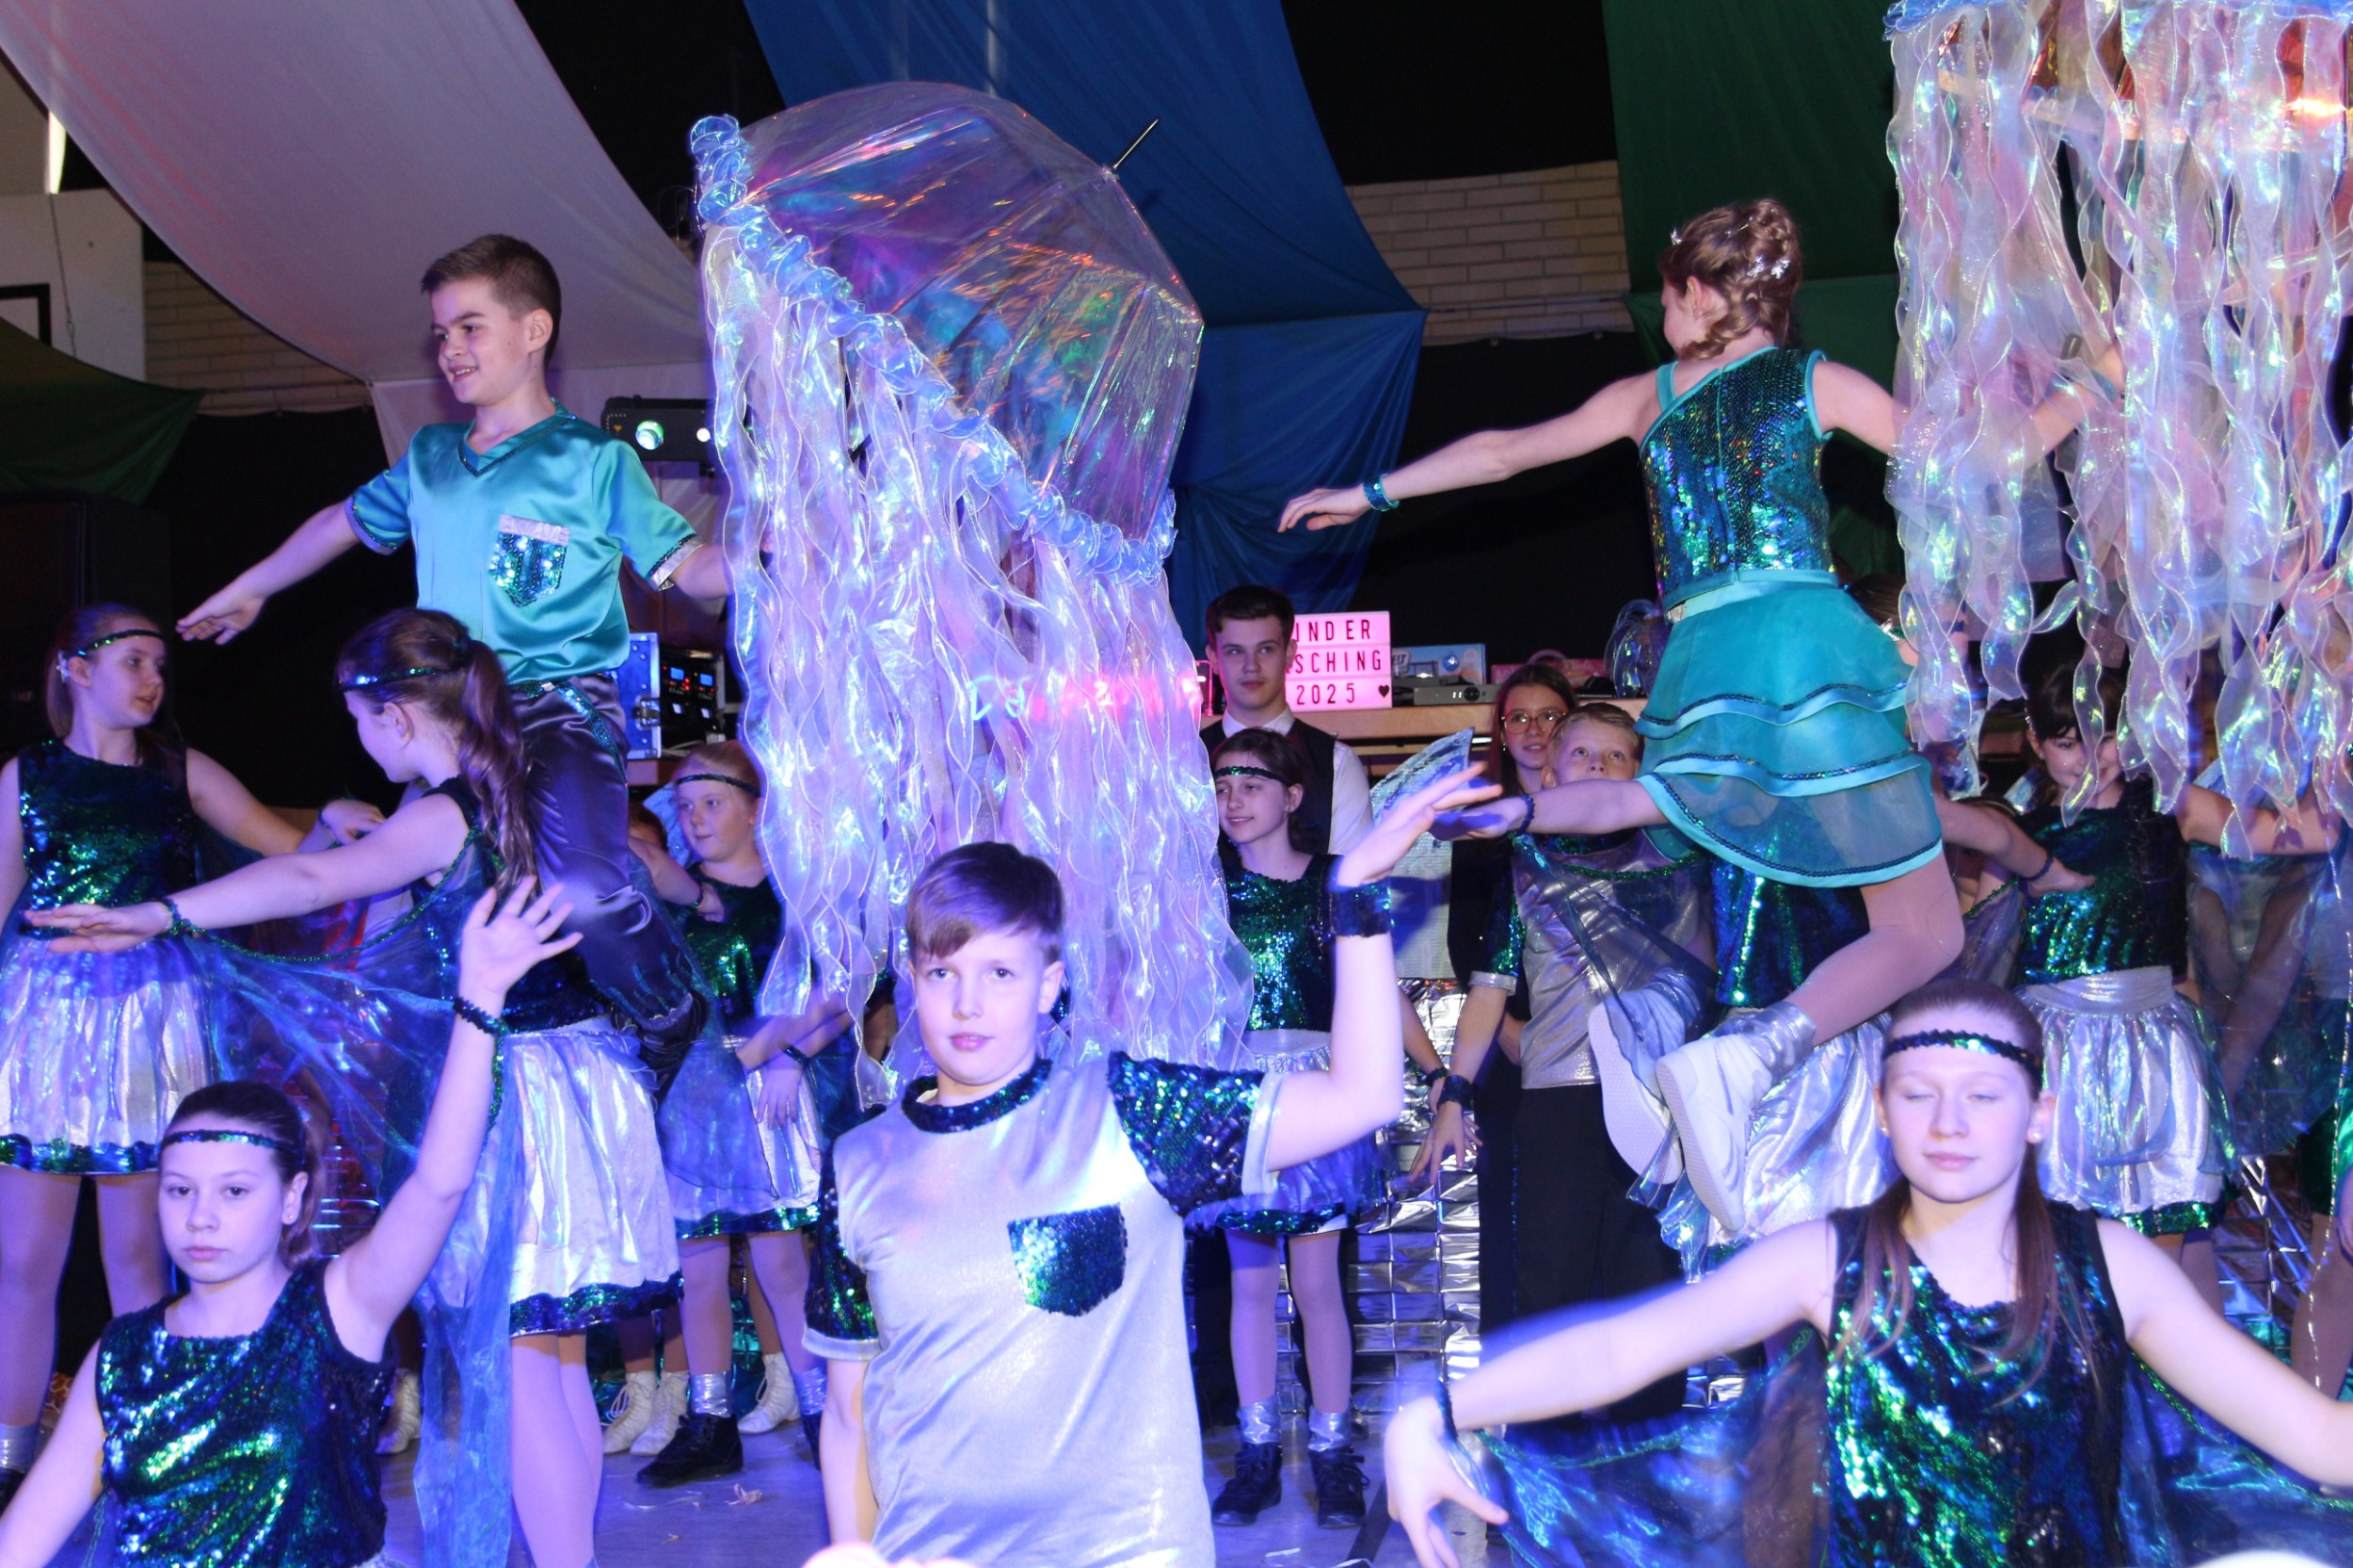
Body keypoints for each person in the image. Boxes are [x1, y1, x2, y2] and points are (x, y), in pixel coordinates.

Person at [1281, 200, 2106, 1236]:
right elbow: (1979, 459)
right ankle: (1749, 1053)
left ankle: (1740, 1056)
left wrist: (1373, 490)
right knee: (1926, 927)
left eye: (1669, 294)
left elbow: (1504, 451)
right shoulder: (1811, 380)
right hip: (1802, 650)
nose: (1661, 314)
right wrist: (2088, 385)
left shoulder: (1651, 398)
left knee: (1698, 826)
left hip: (1708, 663)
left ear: (1707, 294)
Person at [35, 608, 677, 1568]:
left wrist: (159, 913)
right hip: (583, 1075)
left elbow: (307, 882)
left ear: (395, 715)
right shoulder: (532, 789)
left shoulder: (443, 813)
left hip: (513, 1091)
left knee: (515, 1364)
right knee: (552, 1356)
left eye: (359, 721)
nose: (361, 741)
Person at [1384, 977, 2353, 1568]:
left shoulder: (2112, 1266)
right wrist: (1434, 1407)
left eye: (1985, 1095)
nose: (1950, 1123)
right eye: (1919, 1095)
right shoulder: (1827, 1260)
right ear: (1881, 1112)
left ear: (2040, 1114)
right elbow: (1618, 1349)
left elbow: (2319, 1440)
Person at [806, 769, 1493, 1568]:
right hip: (930, 1552)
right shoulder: (860, 1162)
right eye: (942, 974)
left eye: (1000, 973)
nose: (967, 1004)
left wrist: (1358, 897)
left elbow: (1361, 1097)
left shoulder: (1128, 1112)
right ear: (912, 981)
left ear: (1048, 985)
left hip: (1123, 1549)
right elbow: (851, 1413)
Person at [173, 233, 730, 1066]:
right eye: (441, 333)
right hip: (451, 717)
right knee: (405, 909)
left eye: (470, 327)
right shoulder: (432, 458)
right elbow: (339, 524)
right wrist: (255, 586)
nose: (451, 349)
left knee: (580, 891)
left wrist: (777, 551)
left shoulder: (592, 461)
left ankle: (671, 1013)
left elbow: (694, 572)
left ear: (534, 330)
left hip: (558, 712)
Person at [0, 878, 578, 1568]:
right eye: (180, 1190)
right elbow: (20, 1546)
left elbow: (439, 1184)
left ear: (292, 1198)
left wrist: (479, 999)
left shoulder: (341, 1310)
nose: (201, 1217)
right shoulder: (123, 1357)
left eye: (234, 1191)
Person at [0, 603, 379, 1507]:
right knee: (23, 1263)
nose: (152, 679)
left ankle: (145, 1442)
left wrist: (329, 819)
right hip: (46, 1024)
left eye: (160, 664)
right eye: (132, 660)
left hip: (150, 1022)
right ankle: (11, 1457)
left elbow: (290, 856)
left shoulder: (181, 770)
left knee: (141, 1257)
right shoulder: (26, 777)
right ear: (75, 668)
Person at [1951, 664, 2334, 1279]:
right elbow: (1977, 958)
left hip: (2158, 1049)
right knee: (2059, 1243)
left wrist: (2335, 725)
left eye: (2104, 737)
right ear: (2035, 740)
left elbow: (2301, 833)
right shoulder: (2020, 839)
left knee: (2165, 1242)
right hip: (2057, 1054)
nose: (2089, 758)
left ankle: (2160, 1340)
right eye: (2068, 741)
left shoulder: (2171, 808)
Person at [1421, 704, 1711, 1418]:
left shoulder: (1683, 867)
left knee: (1648, 1293)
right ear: (1549, 776)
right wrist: (1454, 1092)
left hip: (1659, 1108)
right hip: (1557, 1105)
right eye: (1583, 755)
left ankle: (1646, 1461)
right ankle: (1546, 1465)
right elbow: (1489, 992)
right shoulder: (1525, 871)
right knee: (1549, 1290)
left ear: (1640, 778)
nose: (1599, 769)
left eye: (1617, 759)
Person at [637, 742, 864, 1486]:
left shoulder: (794, 897)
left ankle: (821, 1410)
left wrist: (788, 1052)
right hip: (696, 1103)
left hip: (770, 1101)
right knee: (696, 1265)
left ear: (756, 809)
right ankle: (709, 1421)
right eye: (685, 807)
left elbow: (845, 987)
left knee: (779, 1261)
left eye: (713, 802)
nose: (697, 819)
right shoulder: (681, 900)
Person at [1195, 728, 1389, 1529]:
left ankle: (1334, 1452)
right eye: (1221, 785)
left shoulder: (1335, 883)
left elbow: (1375, 989)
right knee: (1247, 1285)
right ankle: (1258, 1453)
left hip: (1317, 1093)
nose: (1233, 799)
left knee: (1316, 1286)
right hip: (1241, 1098)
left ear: (1293, 795)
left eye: (1250, 783)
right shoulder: (1200, 891)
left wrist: (1439, 1075)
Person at [1200, 584, 1372, 856]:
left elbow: (1353, 875)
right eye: (1235, 651)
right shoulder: (1185, 760)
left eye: (1265, 650)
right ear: (1213, 659)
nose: (1251, 666)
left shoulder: (1335, 762)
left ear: (1289, 653)